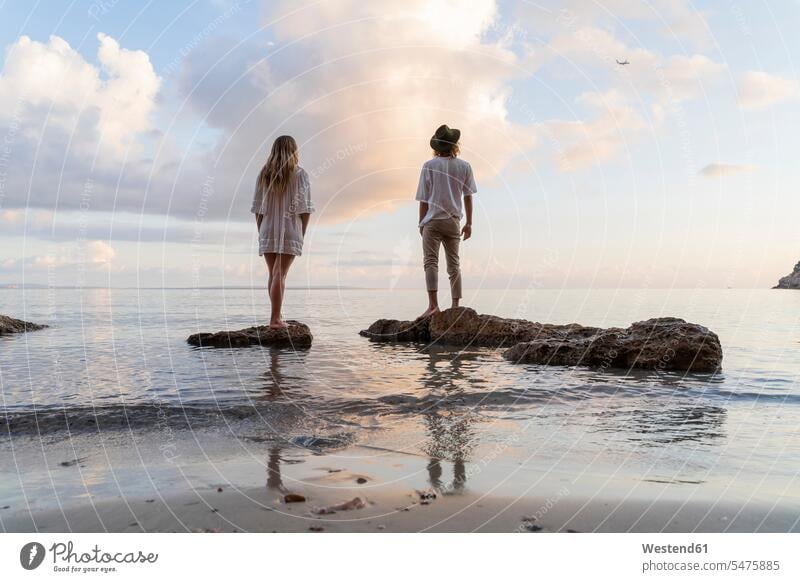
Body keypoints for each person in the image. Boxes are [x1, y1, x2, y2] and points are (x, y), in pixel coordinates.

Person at [251, 135, 314, 328]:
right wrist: (301, 233)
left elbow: (258, 209)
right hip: (290, 229)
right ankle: (275, 319)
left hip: (267, 228)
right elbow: (305, 209)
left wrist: (261, 231)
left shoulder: (264, 173)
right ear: (293, 151)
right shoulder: (300, 174)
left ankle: (275, 316)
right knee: (281, 274)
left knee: (273, 274)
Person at [415, 124, 477, 319]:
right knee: (454, 265)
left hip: (432, 221)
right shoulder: (464, 166)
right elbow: (468, 196)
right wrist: (469, 224)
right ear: (454, 145)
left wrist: (421, 223)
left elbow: (423, 199)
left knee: (430, 262)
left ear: (437, 146)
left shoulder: (429, 166)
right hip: (453, 221)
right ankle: (455, 305)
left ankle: (433, 306)